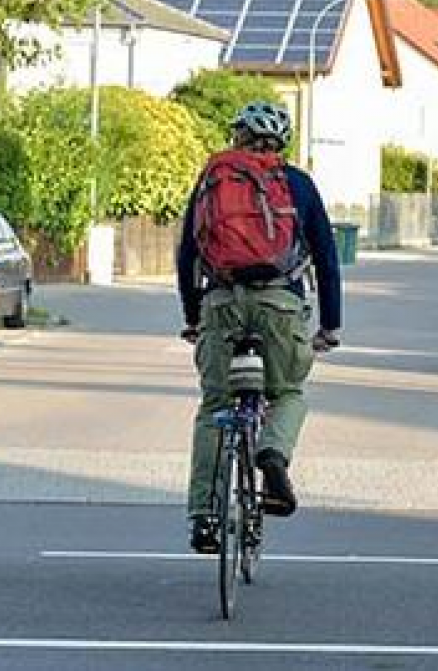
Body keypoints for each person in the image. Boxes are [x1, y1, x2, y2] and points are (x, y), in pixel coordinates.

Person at [176, 101, 343, 555]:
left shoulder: (213, 180)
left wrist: (193, 316)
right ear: (280, 144)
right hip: (279, 305)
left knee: (214, 406)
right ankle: (272, 452)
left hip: (221, 303)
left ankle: (204, 517)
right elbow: (327, 258)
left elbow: (187, 253)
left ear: (237, 138)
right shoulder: (298, 185)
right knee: (288, 391)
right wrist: (329, 325)